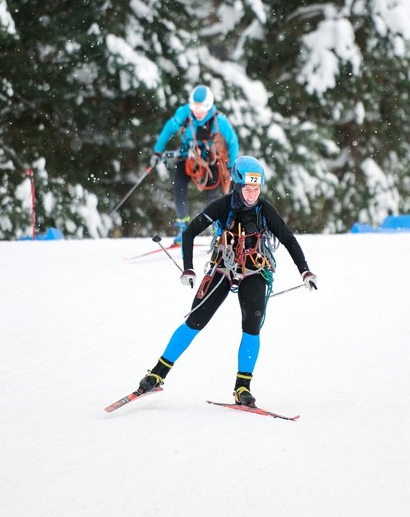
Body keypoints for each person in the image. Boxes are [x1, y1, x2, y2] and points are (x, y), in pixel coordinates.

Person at [134, 155, 317, 407]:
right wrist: (188, 268)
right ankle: (157, 374)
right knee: (195, 320)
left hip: (254, 270)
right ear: (237, 185)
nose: (252, 195)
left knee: (252, 326)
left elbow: (288, 239)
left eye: (257, 189)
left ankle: (243, 388)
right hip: (223, 267)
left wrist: (305, 271)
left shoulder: (264, 209)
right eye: (247, 189)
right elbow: (189, 232)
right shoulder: (223, 205)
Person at [151, 84, 239, 242]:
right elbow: (168, 129)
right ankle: (183, 227)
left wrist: (231, 165)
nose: (198, 111)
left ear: (209, 106)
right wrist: (158, 151)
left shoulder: (219, 121)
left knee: (213, 193)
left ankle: (216, 229)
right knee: (179, 186)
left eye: (201, 107)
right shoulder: (184, 114)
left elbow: (233, 142)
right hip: (188, 158)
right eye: (195, 107)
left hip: (210, 160)